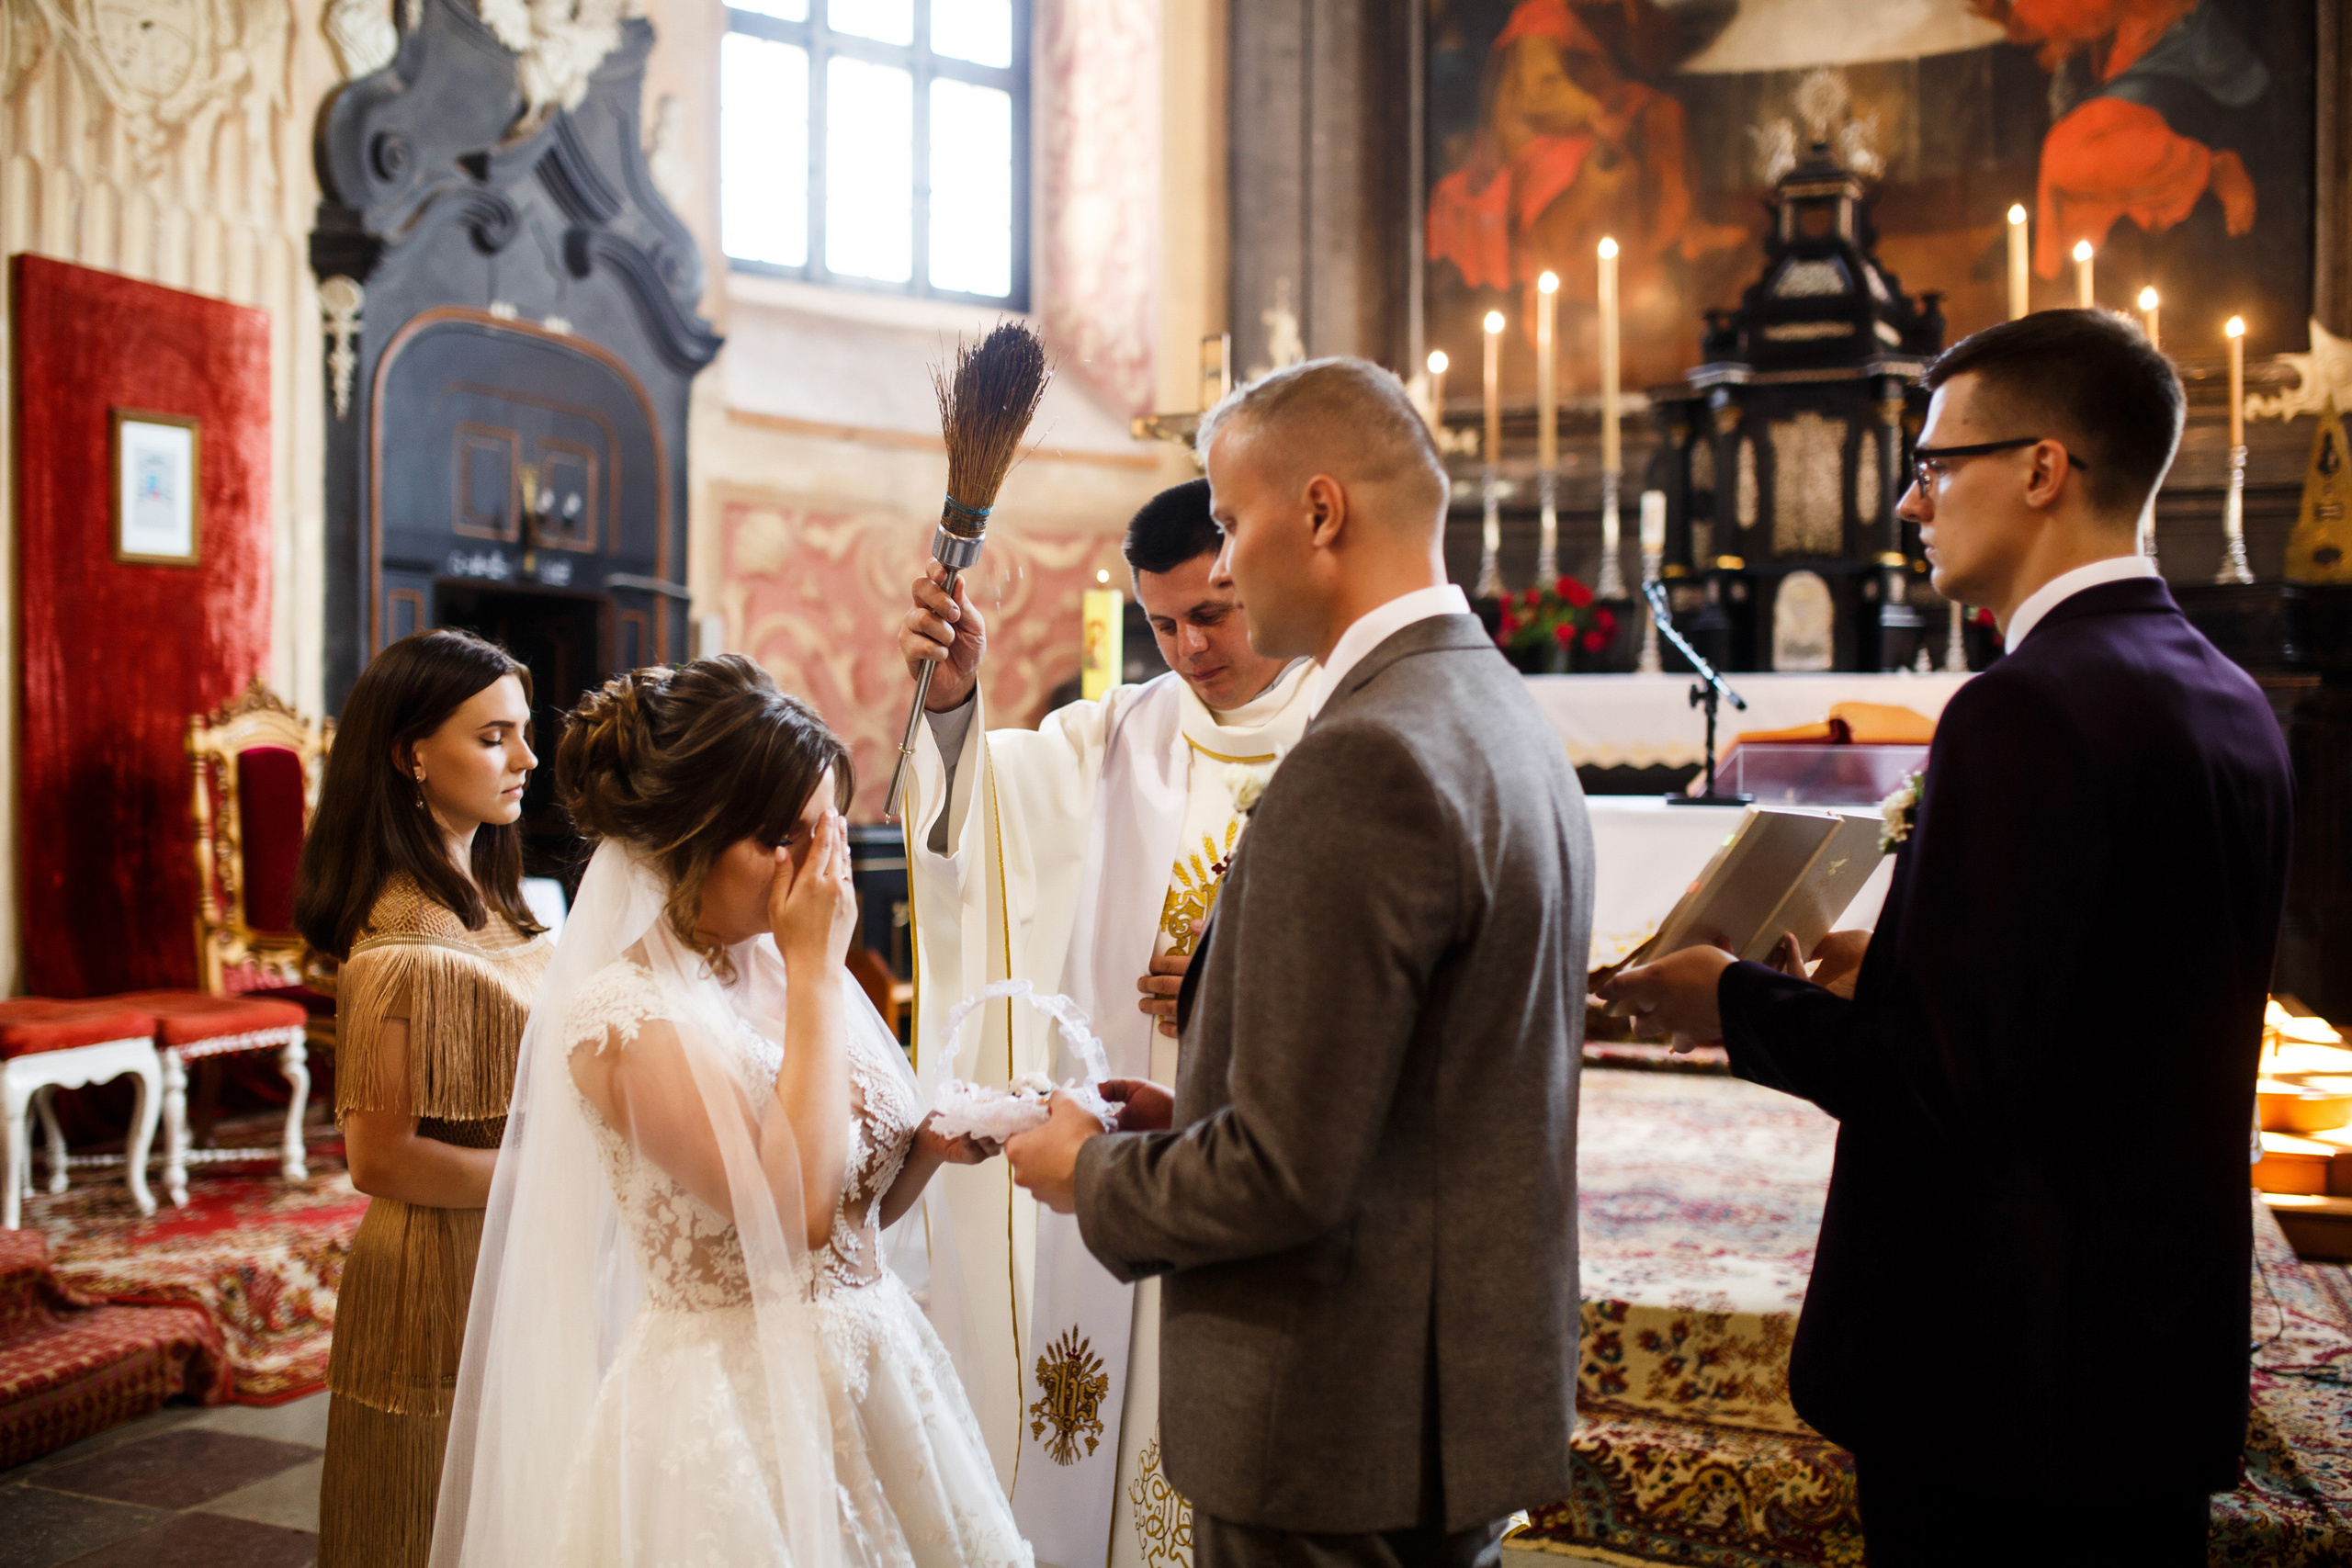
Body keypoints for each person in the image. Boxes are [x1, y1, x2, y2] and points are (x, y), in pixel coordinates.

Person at [1602, 309, 2294, 1564]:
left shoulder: (2023, 707)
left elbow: (1943, 1083)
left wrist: (1733, 1007)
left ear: (2042, 468)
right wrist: (1902, 970)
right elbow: (2117, 1002)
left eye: (1934, 466)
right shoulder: (2226, 693)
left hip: (2007, 1371)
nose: (1911, 506)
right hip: (2152, 1345)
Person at [1003, 358, 1593, 1568]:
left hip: (1329, 1416)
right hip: (1440, 1392)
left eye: (1228, 522)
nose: (1217, 566)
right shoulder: (1502, 712)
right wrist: (1200, 1105)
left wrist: (1093, 1170)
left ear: (1320, 512)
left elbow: (1284, 1175)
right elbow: (1423, 1083)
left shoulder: (1362, 755)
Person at [427, 656, 1024, 1568]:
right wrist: (821, 972)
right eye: (784, 838)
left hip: (878, 1369)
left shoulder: (784, 963)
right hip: (732, 1412)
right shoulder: (623, 1019)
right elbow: (791, 1215)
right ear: (684, 839)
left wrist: (930, 1146)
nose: (815, 870)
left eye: (823, 831)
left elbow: (851, 1216)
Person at [895, 478, 1316, 1564]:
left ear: (1255, 580)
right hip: (1125, 1162)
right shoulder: (1114, 737)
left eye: (1209, 616)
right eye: (1161, 624)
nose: (1186, 649)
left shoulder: (1348, 735)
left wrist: (1243, 984)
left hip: (1271, 1162)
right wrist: (951, 703)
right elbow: (978, 841)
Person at [292, 629, 552, 1568]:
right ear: (412, 755)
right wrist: (550, 1173)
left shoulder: (490, 898)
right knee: (422, 1512)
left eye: (522, 732)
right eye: (493, 738)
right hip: (434, 1271)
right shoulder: (401, 940)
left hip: (501, 1252)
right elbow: (380, 1157)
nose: (526, 758)